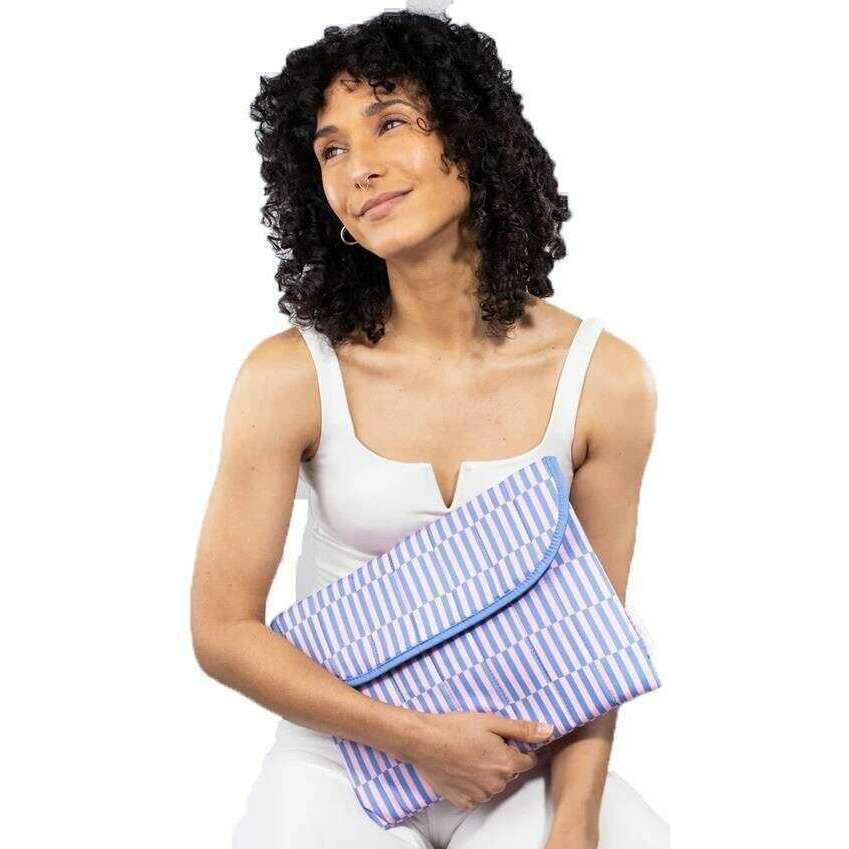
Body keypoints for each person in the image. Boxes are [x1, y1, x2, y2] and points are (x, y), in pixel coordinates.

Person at [190, 7, 669, 848]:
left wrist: (574, 820)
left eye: (391, 124)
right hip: (338, 755)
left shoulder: (603, 378)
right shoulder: (290, 376)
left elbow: (596, 638)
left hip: (522, 757)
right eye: (331, 149)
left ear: (471, 138)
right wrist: (414, 738)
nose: (359, 168)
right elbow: (222, 629)